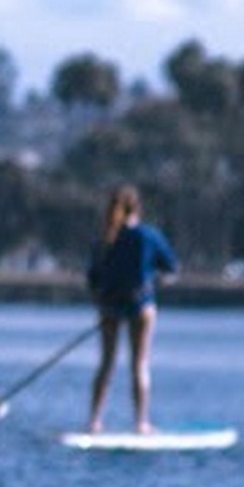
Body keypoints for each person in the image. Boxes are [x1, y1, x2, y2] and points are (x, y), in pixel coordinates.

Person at [86, 184, 177, 434]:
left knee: (106, 363)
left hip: (109, 307)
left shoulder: (105, 238)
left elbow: (93, 278)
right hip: (140, 306)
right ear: (137, 208)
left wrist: (101, 303)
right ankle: (141, 423)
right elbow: (171, 268)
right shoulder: (149, 236)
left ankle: (94, 421)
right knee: (139, 365)